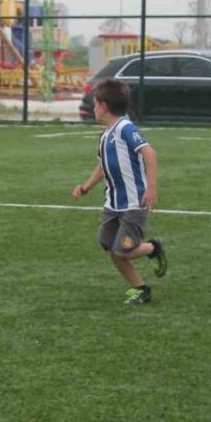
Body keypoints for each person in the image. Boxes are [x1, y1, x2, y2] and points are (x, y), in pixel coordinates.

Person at [71, 78, 168, 305]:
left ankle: (153, 247)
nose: (93, 108)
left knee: (123, 250)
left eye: (95, 104)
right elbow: (102, 167)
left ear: (103, 106)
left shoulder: (125, 128)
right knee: (109, 246)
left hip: (133, 204)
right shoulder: (106, 135)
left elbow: (149, 153)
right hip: (112, 204)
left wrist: (151, 188)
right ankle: (141, 288)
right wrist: (85, 187)